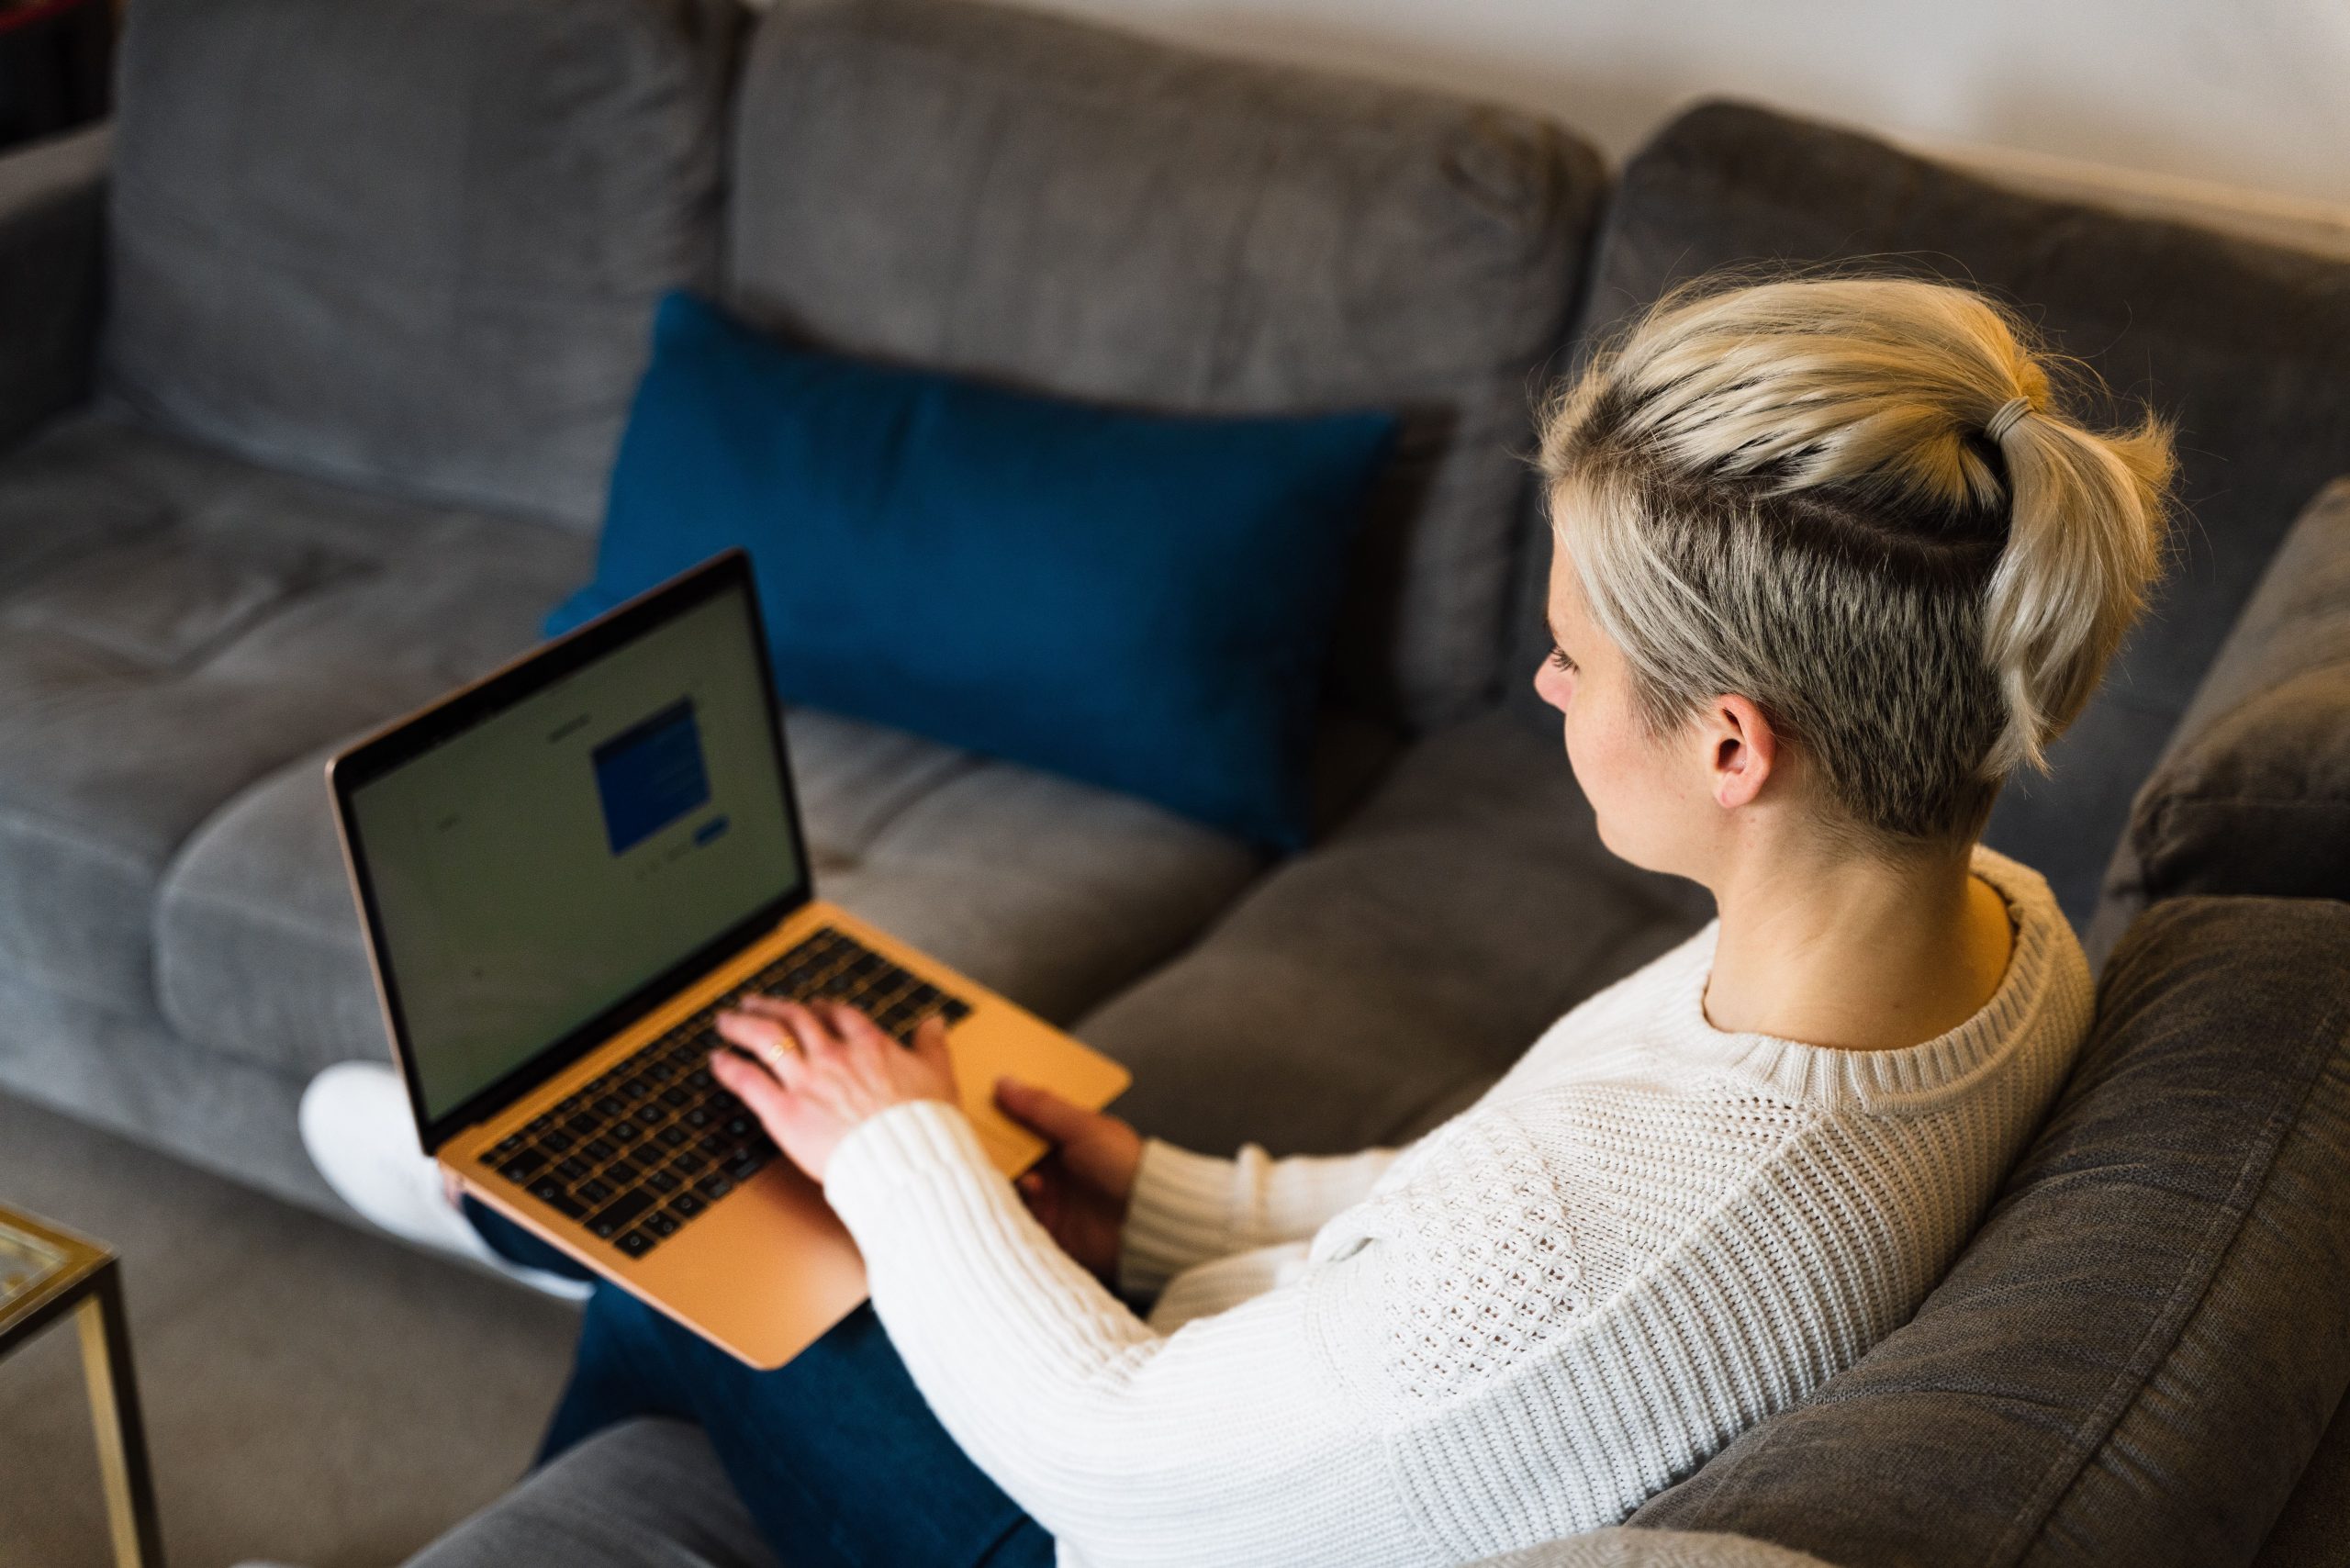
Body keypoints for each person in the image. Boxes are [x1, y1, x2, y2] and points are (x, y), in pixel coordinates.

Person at [308, 269, 2177, 1568]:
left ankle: (521, 1207)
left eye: (1569, 652)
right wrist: (1159, 1191)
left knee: (735, 1255)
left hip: (1098, 1523)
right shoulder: (1990, 936)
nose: (1536, 685)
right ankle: (531, 1219)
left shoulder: (1609, 1220)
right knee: (788, 1198)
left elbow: (1112, 1459)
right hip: (1284, 1424)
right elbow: (1482, 1223)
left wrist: (900, 1161)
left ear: (1728, 743)